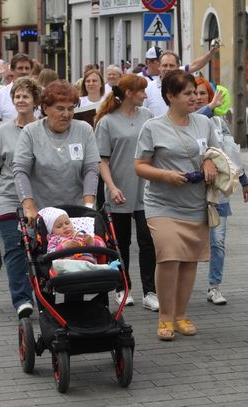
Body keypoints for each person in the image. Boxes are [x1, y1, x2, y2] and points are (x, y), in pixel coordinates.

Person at [134, 70, 219, 341]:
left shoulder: (204, 124)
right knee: (169, 257)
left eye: (195, 92)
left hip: (195, 203)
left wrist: (208, 162)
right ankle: (165, 317)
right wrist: (166, 176)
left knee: (189, 261)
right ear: (170, 96)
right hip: (162, 204)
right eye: (188, 93)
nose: (194, 98)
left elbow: (215, 154)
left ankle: (182, 314)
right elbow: (139, 166)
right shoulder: (153, 127)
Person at [0, 77, 41, 319]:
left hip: (37, 199)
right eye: (17, 96)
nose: (21, 100)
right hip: (7, 197)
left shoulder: (43, 127)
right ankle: (22, 299)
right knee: (15, 248)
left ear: (35, 100)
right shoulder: (3, 130)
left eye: (26, 96)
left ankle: (42, 293)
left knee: (38, 248)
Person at [94, 73, 158, 311]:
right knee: (120, 243)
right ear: (129, 93)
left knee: (147, 240)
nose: (145, 94)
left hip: (146, 189)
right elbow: (102, 160)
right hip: (118, 189)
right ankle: (122, 288)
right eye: (141, 90)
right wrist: (111, 187)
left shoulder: (148, 117)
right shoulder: (107, 122)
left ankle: (150, 291)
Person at [194, 76, 248, 305]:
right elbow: (196, 119)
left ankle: (214, 286)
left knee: (218, 241)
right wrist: (209, 108)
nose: (198, 98)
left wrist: (244, 179)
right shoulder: (185, 120)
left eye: (203, 94)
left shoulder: (219, 123)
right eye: (194, 93)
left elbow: (231, 153)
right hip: (190, 192)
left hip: (218, 191)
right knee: (187, 244)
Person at [12, 80, 100, 225]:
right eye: (60, 108)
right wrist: (29, 208)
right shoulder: (30, 132)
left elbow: (91, 169)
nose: (66, 114)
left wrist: (88, 207)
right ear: (46, 108)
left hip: (76, 212)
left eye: (71, 109)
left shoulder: (84, 130)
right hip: (42, 213)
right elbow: (21, 171)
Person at [143, 48, 220, 116]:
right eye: (165, 65)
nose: (168, 68)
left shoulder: (187, 88)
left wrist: (210, 53)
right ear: (159, 66)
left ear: (178, 67)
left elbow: (195, 65)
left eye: (171, 65)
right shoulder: (147, 88)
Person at [38, 206, 105, 264]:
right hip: (68, 268)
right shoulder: (54, 240)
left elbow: (103, 250)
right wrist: (63, 246)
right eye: (59, 226)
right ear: (52, 232)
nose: (65, 227)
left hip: (88, 265)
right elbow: (49, 256)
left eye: (67, 223)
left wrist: (92, 243)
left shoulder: (81, 235)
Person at [0, 53, 33, 122]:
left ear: (31, 70)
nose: (24, 71)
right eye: (20, 68)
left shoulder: (41, 93)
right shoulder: (1, 94)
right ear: (12, 70)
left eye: (27, 68)